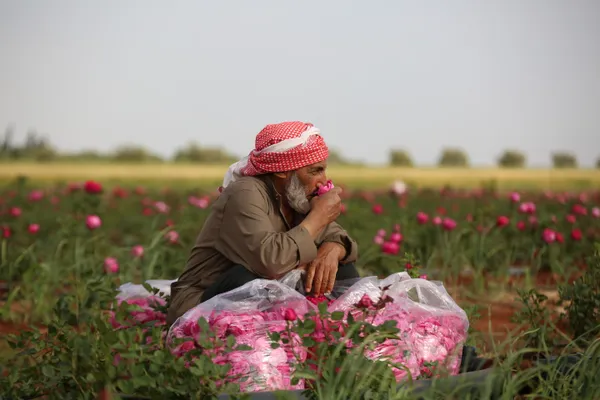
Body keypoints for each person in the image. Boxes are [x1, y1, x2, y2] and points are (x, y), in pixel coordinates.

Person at [166, 121, 359, 326]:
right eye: (315, 171)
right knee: (251, 278)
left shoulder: (296, 197)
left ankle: (347, 327)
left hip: (261, 292)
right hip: (201, 302)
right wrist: (317, 217)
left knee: (337, 265)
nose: (323, 181)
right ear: (283, 170)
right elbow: (270, 263)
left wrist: (333, 249)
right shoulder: (245, 193)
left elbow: (341, 239)